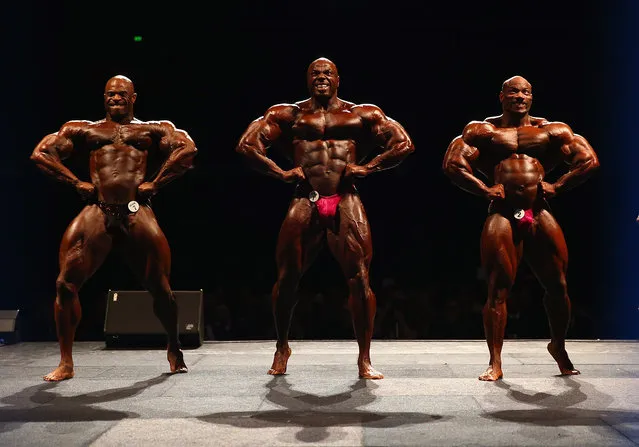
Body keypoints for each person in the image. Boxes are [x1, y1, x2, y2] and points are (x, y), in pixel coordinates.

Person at [236, 57, 415, 379]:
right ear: (307, 79)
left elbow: (403, 143)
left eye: (327, 73)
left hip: (346, 197)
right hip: (305, 198)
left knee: (360, 277)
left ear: (337, 79)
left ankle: (364, 358)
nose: (321, 77)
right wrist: (280, 172)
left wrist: (367, 167)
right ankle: (281, 346)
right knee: (288, 276)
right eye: (315, 73)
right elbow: (248, 145)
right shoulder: (287, 114)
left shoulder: (361, 113)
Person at [30, 75, 198, 381]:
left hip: (137, 210)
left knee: (161, 288)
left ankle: (174, 346)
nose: (115, 98)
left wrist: (156, 182)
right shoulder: (84, 129)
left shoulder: (152, 129)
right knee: (65, 284)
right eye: (110, 94)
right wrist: (74, 181)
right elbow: (41, 153)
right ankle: (66, 362)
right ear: (103, 97)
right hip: (98, 210)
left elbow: (187, 150)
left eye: (122, 94)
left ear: (134, 97)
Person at [442, 75, 599, 381]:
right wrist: (484, 189)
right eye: (513, 91)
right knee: (498, 289)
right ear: (501, 96)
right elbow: (452, 164)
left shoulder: (550, 129)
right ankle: (495, 361)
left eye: (525, 92)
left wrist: (558, 185)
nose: (519, 96)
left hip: (539, 211)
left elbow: (589, 160)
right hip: (501, 212)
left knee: (558, 286)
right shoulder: (483, 130)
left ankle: (558, 345)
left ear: (531, 97)